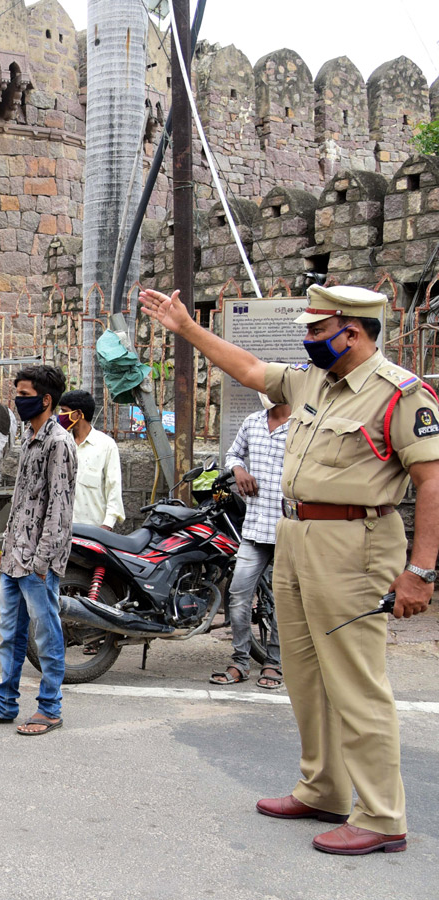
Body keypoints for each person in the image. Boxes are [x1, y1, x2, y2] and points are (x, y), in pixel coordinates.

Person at [140, 283, 439, 855]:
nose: (305, 340)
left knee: (355, 682)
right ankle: (323, 787)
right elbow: (250, 368)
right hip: (294, 535)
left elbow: (432, 482)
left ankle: (381, 815)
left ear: (350, 332)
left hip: (355, 544)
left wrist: (420, 571)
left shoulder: (400, 394)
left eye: (315, 330)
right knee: (303, 674)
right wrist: (186, 328)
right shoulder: (312, 381)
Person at [0, 365, 77, 735]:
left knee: (46, 634)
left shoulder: (59, 442)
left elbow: (59, 508)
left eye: (25, 396)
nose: (18, 401)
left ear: (45, 400)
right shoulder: (29, 437)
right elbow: (23, 500)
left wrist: (41, 561)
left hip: (38, 561)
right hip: (15, 557)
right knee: (11, 633)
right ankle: (5, 703)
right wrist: (8, 550)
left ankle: (50, 708)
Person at [210, 395, 288, 690]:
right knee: (239, 596)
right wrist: (239, 470)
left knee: (283, 602)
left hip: (287, 529)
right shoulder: (253, 422)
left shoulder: (301, 425)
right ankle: (241, 661)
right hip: (254, 528)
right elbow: (233, 455)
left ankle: (274, 662)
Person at [58, 390, 124, 530]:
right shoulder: (60, 443)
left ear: (78, 414)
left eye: (64, 411)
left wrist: (107, 525)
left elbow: (113, 487)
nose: (60, 415)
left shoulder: (106, 445)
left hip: (93, 531)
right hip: (60, 530)